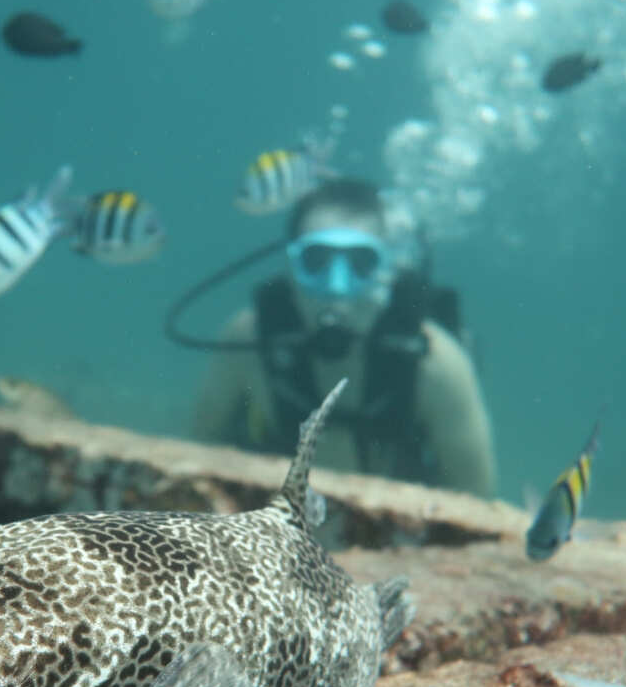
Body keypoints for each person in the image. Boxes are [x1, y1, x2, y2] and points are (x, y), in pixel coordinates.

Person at [182, 178, 497, 495]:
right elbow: (202, 449)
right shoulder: (247, 340)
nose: (336, 286)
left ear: (387, 270)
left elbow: (475, 492)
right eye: (317, 261)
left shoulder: (434, 362)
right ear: (292, 266)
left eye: (361, 263)